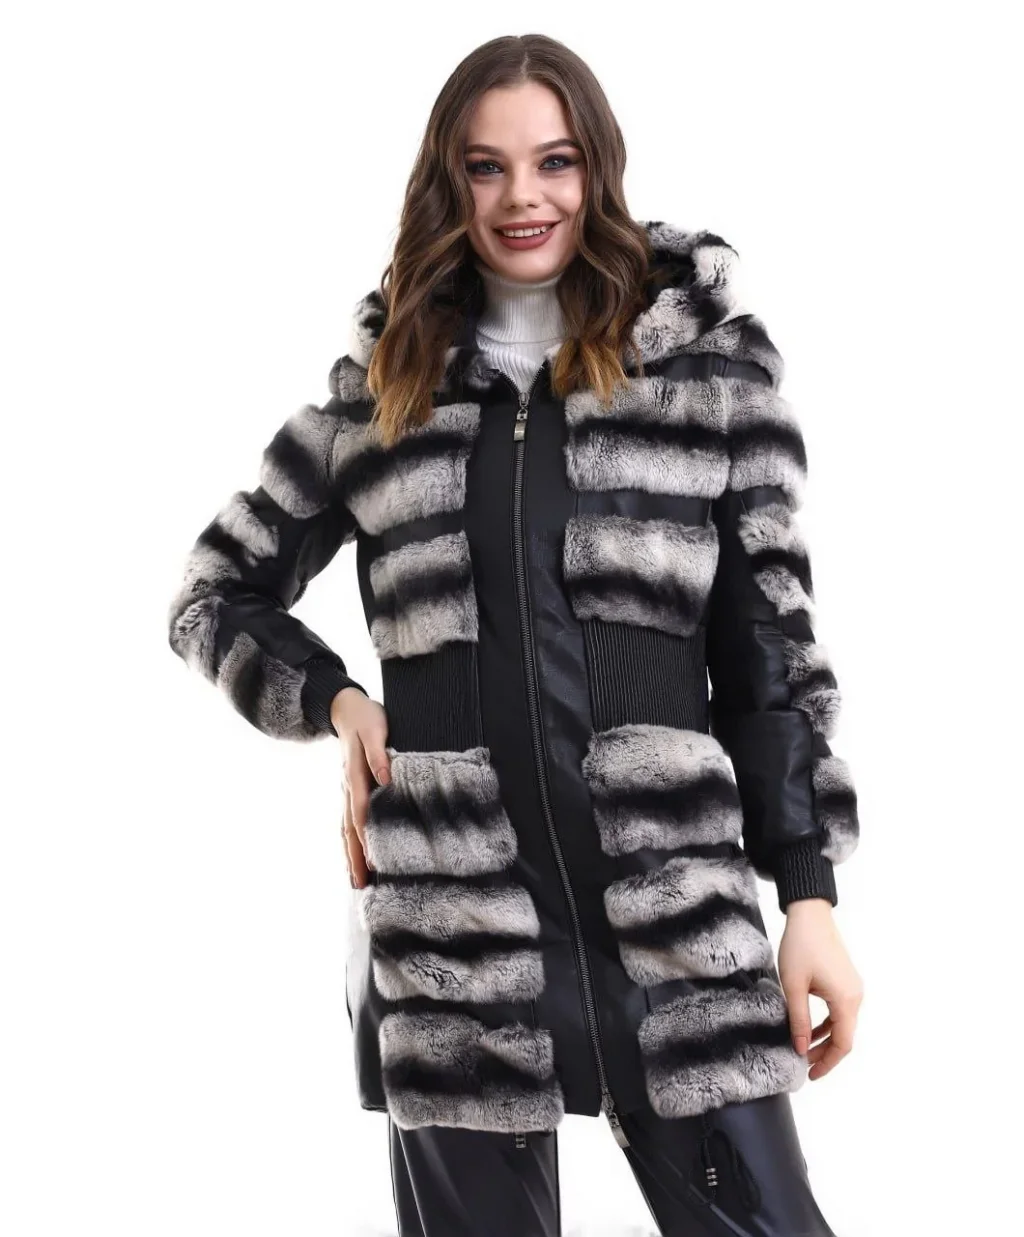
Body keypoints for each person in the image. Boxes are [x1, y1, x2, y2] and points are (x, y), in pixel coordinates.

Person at [167, 32, 864, 1237]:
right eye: (485, 167)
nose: (522, 197)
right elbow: (213, 591)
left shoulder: (704, 374)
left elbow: (772, 649)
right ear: (448, 182)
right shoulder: (382, 395)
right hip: (457, 946)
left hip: (677, 930)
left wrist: (806, 894)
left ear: (597, 169)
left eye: (554, 161)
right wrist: (338, 702)